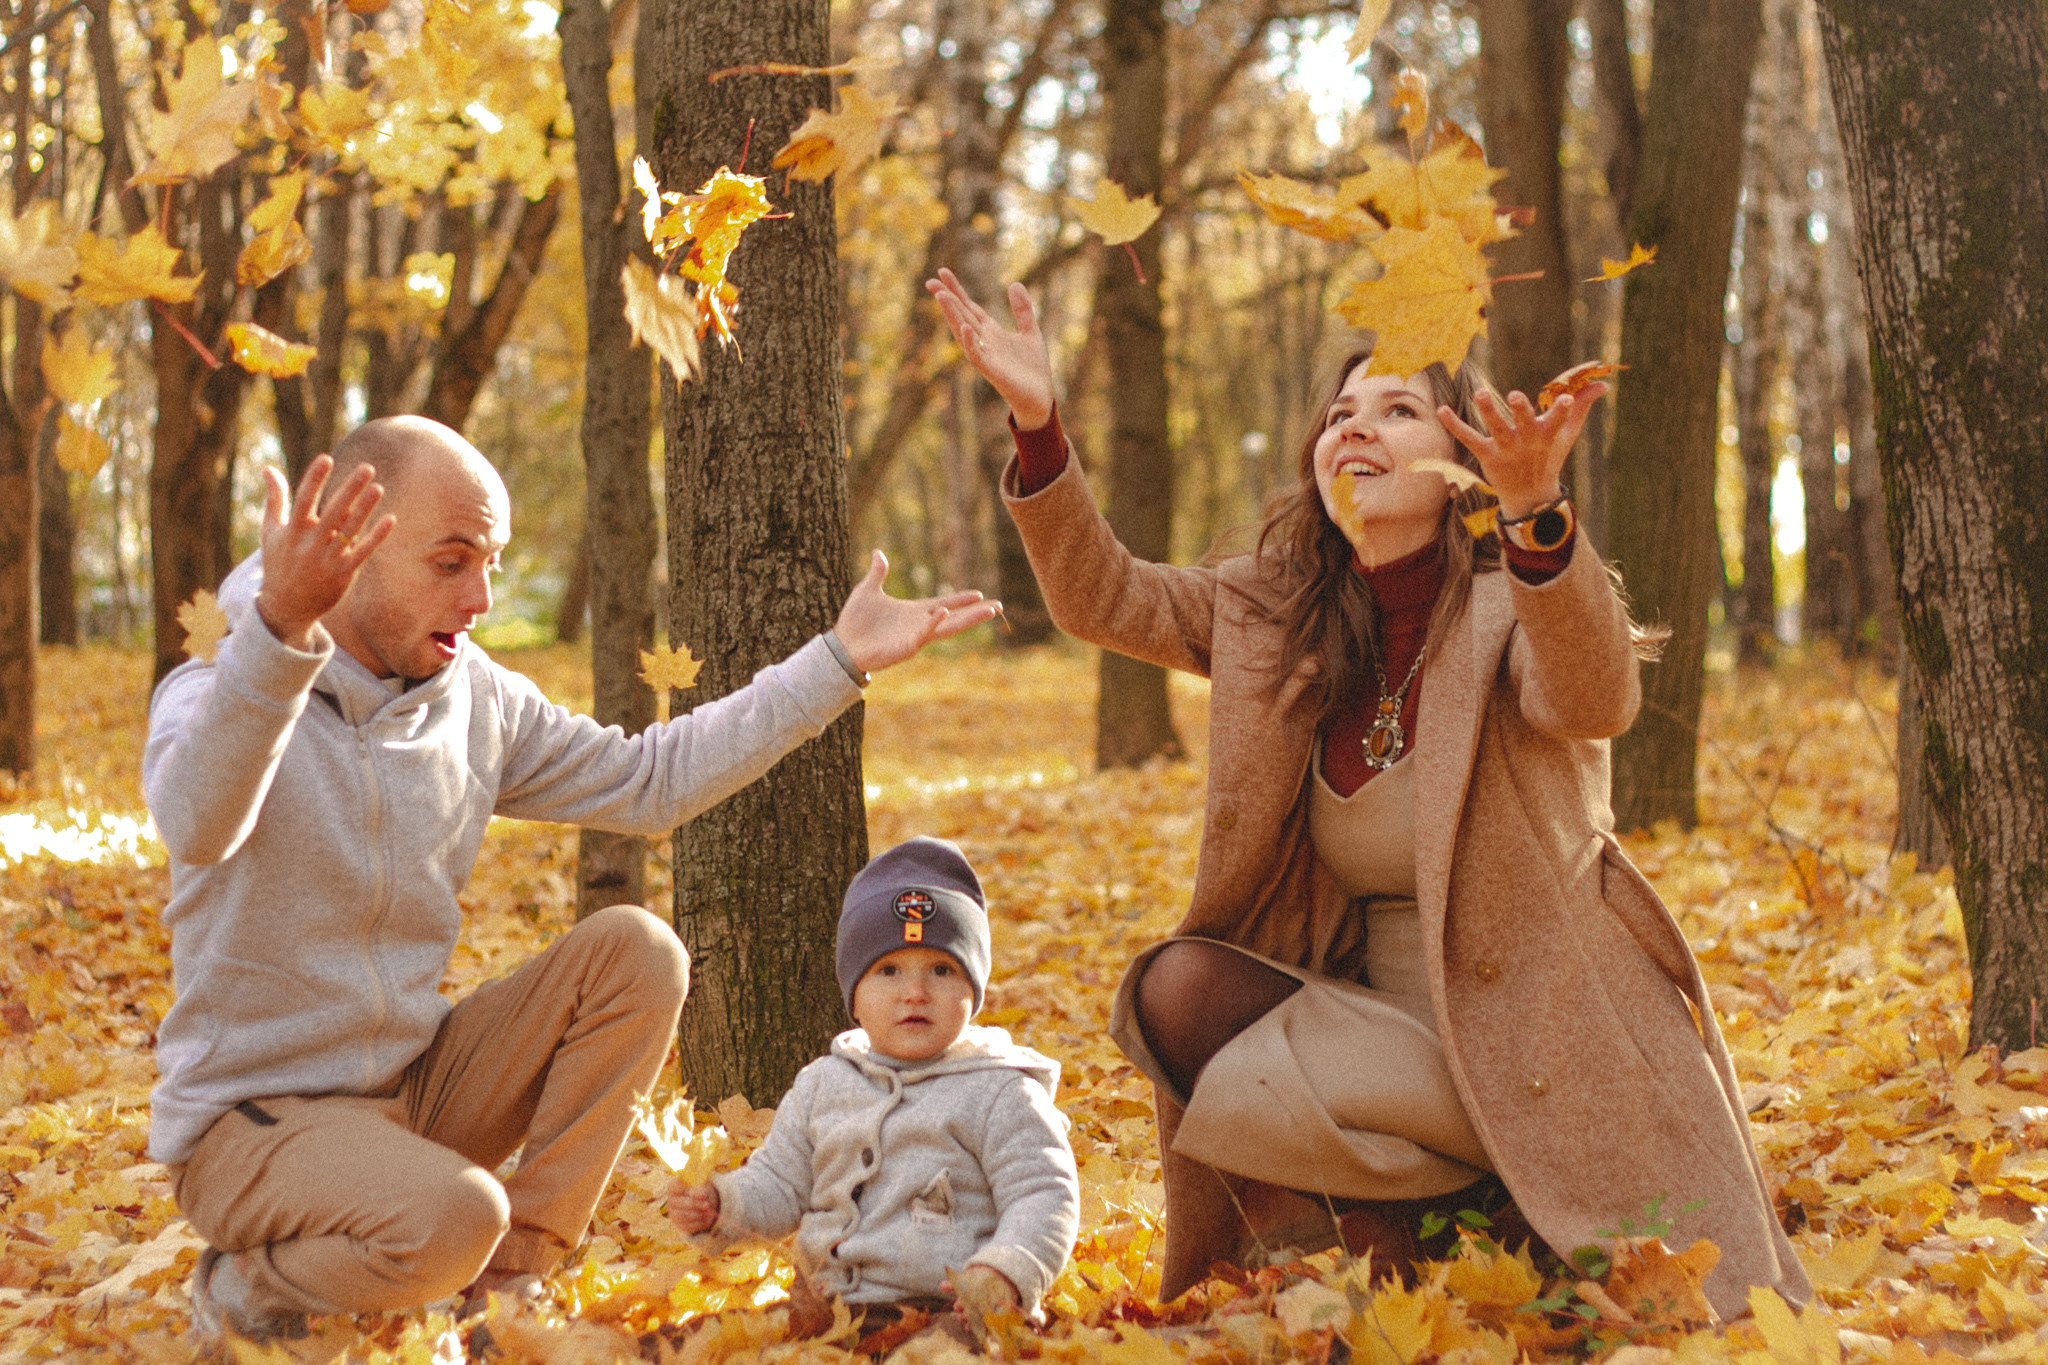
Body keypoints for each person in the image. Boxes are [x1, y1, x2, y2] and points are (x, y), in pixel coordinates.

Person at [924, 269, 1810, 1320]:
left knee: (1265, 1087)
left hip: (1538, 1039)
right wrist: (1037, 426)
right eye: (1339, 414)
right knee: (1178, 991)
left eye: (1396, 411)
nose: (1357, 429)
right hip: (1375, 1030)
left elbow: (1592, 696)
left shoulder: (1508, 601)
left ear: (1455, 466)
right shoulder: (1273, 616)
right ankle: (1393, 1245)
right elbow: (1103, 594)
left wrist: (1535, 516)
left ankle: (1487, 1216)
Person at [144, 416, 1002, 1342]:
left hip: (406, 1092)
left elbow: (650, 779)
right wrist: (276, 632)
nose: (479, 596)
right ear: (355, 553)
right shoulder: (222, 683)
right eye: (451, 561)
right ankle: (251, 1286)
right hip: (251, 1125)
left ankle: (507, 1279)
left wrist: (836, 664)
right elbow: (196, 821)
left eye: (492, 563)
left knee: (637, 951)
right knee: (459, 1216)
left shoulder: (471, 696)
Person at [666, 836, 1080, 1325]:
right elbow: (779, 1182)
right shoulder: (823, 1083)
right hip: (826, 1310)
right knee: (710, 1342)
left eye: (943, 970)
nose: (916, 993)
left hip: (951, 1311)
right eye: (888, 971)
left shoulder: (1000, 1090)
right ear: (854, 997)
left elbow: (1043, 1194)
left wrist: (1005, 1271)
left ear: (973, 990)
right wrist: (722, 1205)